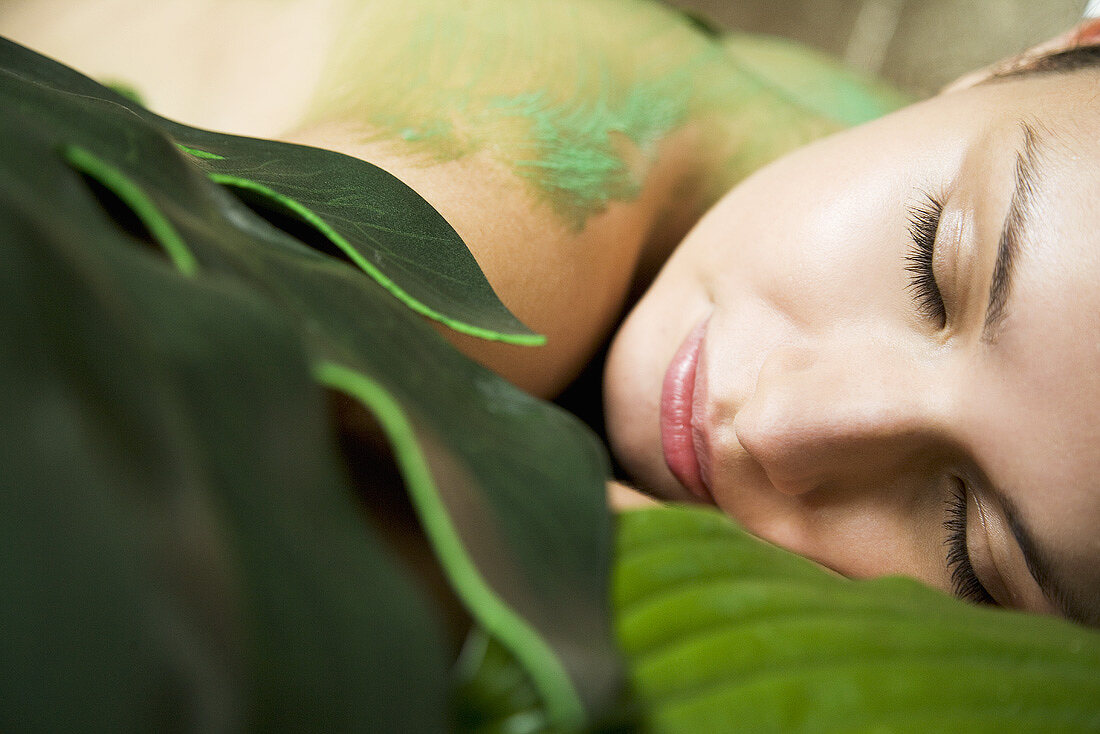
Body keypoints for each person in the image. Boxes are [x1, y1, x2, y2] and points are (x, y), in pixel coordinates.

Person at [2, 0, 1097, 626]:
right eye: (929, 262)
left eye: (970, 550)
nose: (780, 424)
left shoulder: (890, 135)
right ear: (1034, 54)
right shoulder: (507, 203)